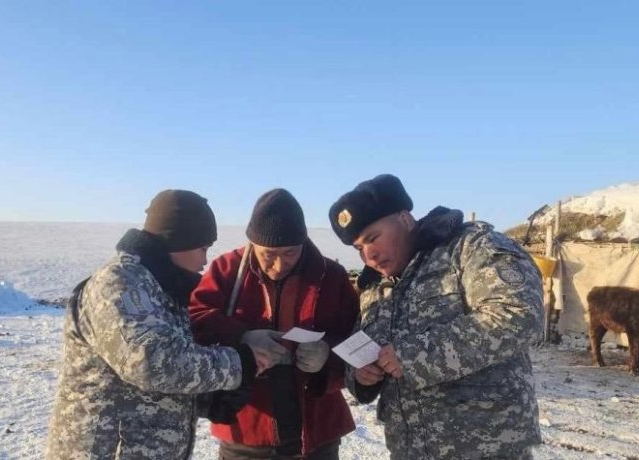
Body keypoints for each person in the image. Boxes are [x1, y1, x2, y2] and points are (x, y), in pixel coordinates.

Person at [46, 189, 277, 460]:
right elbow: (150, 364)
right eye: (203, 248)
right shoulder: (119, 285)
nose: (205, 261)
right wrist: (239, 363)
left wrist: (212, 399)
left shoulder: (161, 290)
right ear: (178, 242)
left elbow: (163, 378)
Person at [328, 174, 544, 460]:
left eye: (373, 238)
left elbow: (519, 315)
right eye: (359, 248)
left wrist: (414, 356)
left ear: (404, 218)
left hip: (487, 449)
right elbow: (363, 350)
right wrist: (361, 377)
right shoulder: (375, 288)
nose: (369, 255)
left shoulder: (469, 248)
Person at [189, 188, 360, 460]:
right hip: (245, 432)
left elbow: (356, 338)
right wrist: (241, 337)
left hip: (319, 434)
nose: (279, 265)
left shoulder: (332, 276)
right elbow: (194, 319)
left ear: (303, 242)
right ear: (252, 243)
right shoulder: (226, 271)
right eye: (268, 254)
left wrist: (327, 353)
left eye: (290, 253)